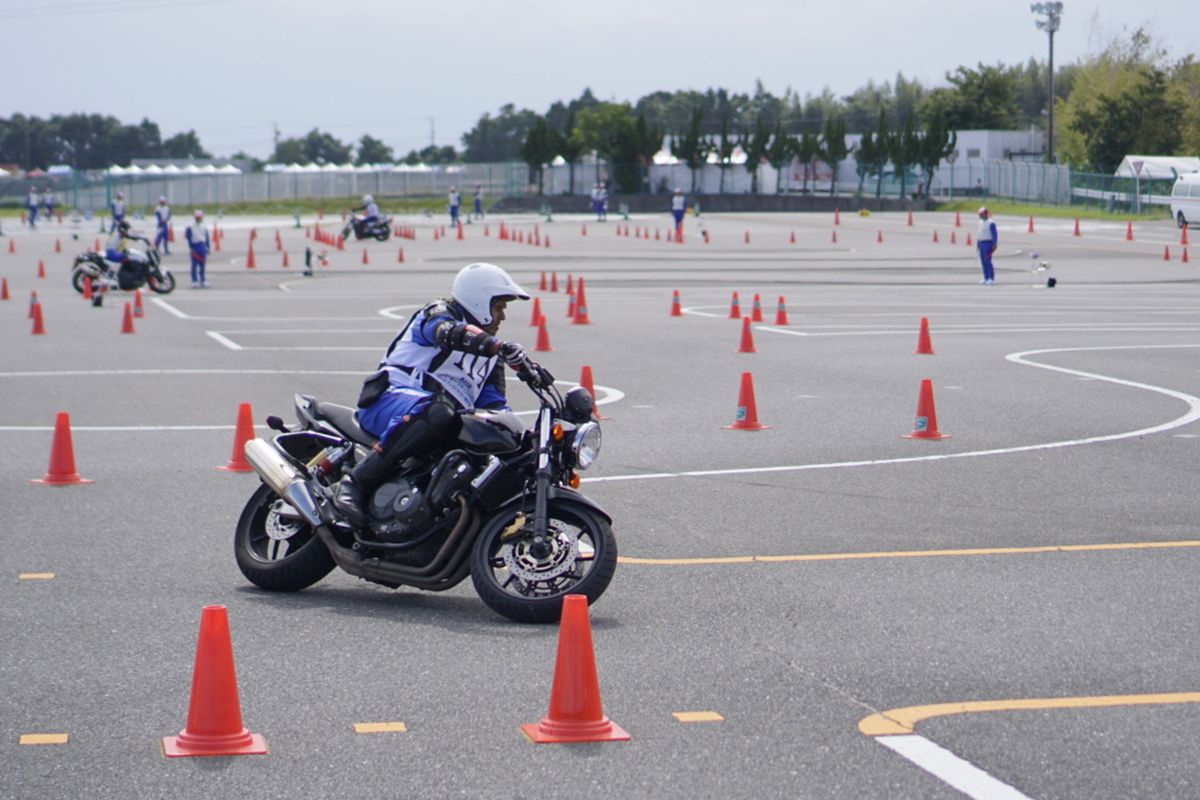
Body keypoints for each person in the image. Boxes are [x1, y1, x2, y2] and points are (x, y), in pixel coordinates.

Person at [331, 262, 531, 531]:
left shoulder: (490, 360)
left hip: (435, 423)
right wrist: (494, 345)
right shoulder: (438, 312)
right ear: (479, 302)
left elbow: (496, 409)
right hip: (388, 402)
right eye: (499, 307)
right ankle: (355, 482)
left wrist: (525, 438)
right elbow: (443, 331)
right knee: (438, 411)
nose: (502, 316)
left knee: (495, 442)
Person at [185, 209, 210, 288]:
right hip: (194, 245)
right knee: (194, 265)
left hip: (202, 245)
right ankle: (194, 281)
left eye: (200, 217)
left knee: (202, 265)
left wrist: (208, 247)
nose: (198, 219)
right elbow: (188, 237)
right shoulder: (190, 226)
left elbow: (206, 237)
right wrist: (191, 247)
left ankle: (202, 280)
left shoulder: (204, 226)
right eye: (197, 217)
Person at [976, 206, 998, 285]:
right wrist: (978, 244)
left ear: (985, 214)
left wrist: (994, 244)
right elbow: (979, 233)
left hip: (988, 243)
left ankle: (991, 278)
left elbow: (994, 234)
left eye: (981, 214)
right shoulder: (980, 223)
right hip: (981, 243)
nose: (980, 216)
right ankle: (985, 277)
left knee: (987, 261)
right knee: (983, 262)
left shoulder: (991, 223)